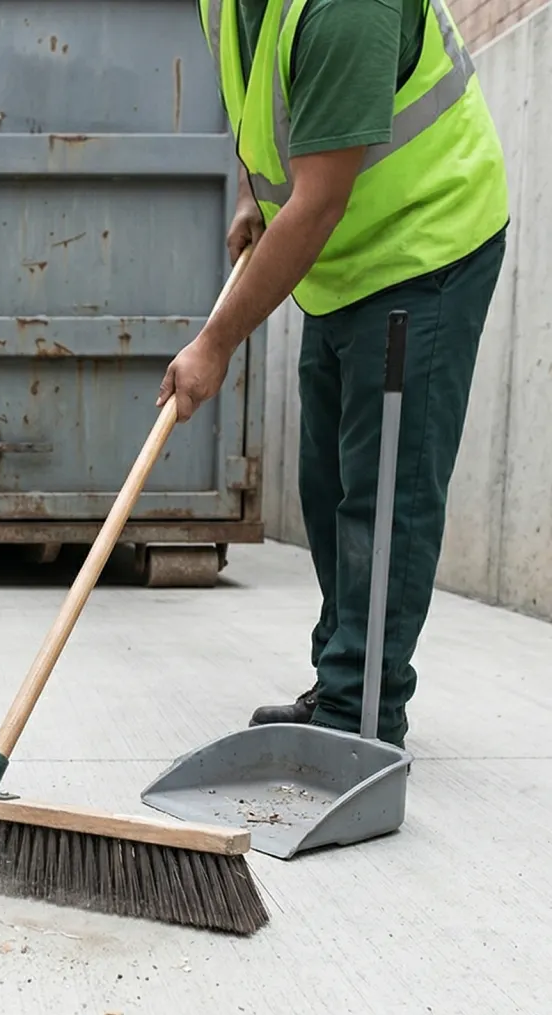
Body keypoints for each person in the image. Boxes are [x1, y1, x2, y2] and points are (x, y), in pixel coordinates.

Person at [157, 0, 509, 748]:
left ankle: (361, 714)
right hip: (343, 259)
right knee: (326, 484)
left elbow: (319, 203)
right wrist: (257, 192)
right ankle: (342, 679)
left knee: (384, 493)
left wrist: (215, 344)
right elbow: (266, 101)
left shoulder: (348, 6)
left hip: (424, 240)